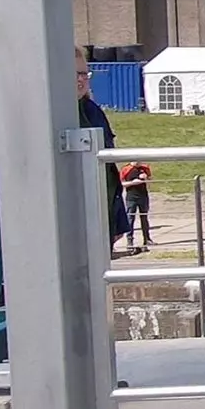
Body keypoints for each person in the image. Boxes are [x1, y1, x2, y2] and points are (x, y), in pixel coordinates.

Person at [76, 47, 132, 254]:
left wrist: (117, 220)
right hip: (73, 222)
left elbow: (109, 170)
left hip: (100, 216)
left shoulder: (92, 110)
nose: (81, 80)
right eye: (75, 74)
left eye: (85, 74)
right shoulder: (53, 115)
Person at [120, 160, 155, 252]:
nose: (138, 162)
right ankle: (130, 240)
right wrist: (133, 182)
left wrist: (146, 178)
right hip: (131, 197)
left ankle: (147, 239)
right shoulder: (126, 169)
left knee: (144, 217)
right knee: (130, 218)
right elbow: (122, 183)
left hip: (143, 196)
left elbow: (151, 180)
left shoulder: (145, 168)